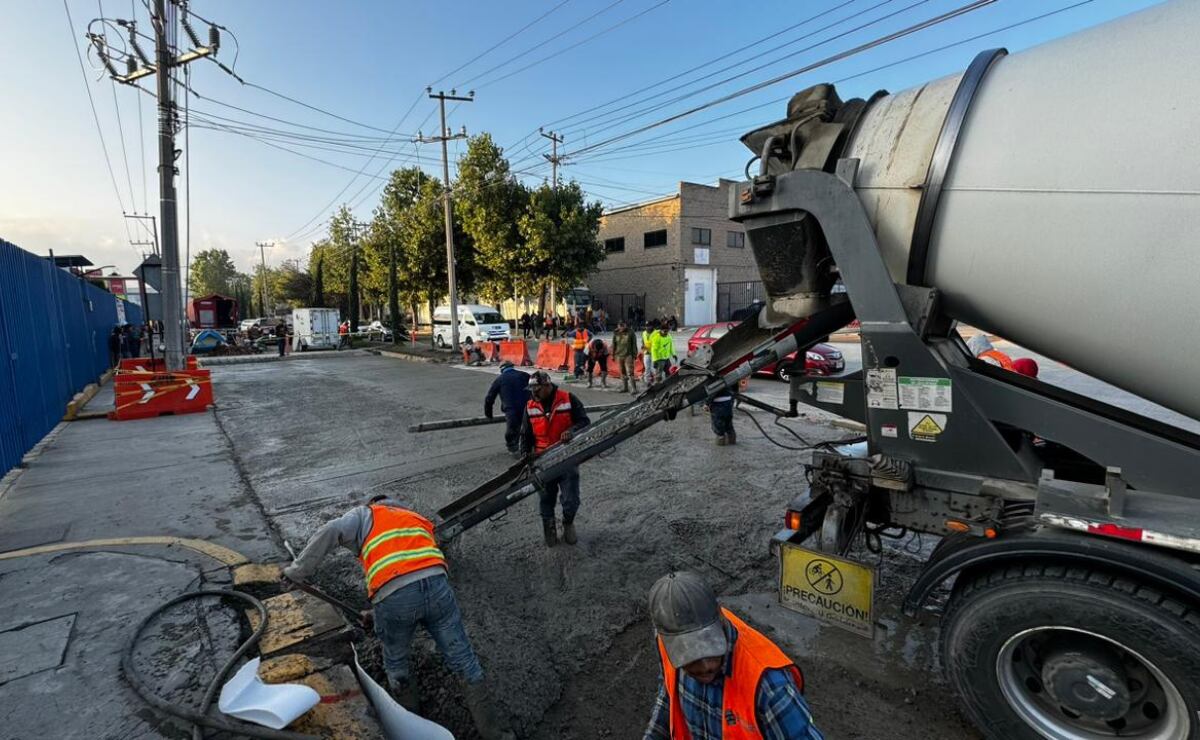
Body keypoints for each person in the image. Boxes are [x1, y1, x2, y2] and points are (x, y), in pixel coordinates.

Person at [283, 496, 513, 740]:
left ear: (375, 503)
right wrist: (376, 615)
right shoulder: (414, 518)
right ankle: (496, 734)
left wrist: (297, 572)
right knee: (465, 661)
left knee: (396, 663)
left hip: (395, 597)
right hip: (438, 587)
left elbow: (332, 530)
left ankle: (413, 729)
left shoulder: (366, 514)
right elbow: (415, 576)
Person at [643, 571, 822, 740]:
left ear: (720, 619)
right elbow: (669, 696)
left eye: (709, 645)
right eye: (690, 655)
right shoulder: (665, 643)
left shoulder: (770, 688)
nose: (706, 666)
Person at [520, 371, 590, 547]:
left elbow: (584, 422)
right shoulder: (529, 406)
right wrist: (525, 456)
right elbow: (526, 434)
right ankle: (549, 526)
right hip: (543, 460)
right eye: (531, 390)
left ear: (547, 386)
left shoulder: (568, 398)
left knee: (571, 499)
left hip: (566, 456)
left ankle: (568, 522)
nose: (533, 393)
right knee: (546, 498)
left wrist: (572, 431)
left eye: (537, 389)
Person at [485, 360, 531, 455]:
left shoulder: (500, 379)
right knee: (528, 429)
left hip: (511, 411)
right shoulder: (525, 375)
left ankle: (514, 450)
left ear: (502, 369)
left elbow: (490, 398)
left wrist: (488, 414)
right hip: (527, 408)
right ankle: (528, 448)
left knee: (512, 432)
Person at [611, 320, 639, 394]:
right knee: (622, 372)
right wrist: (612, 355)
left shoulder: (631, 332)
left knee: (630, 372)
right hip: (619, 355)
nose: (621, 327)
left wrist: (635, 354)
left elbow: (634, 344)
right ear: (618, 326)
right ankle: (625, 387)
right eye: (620, 325)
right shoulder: (616, 333)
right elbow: (613, 344)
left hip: (628, 355)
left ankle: (634, 388)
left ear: (625, 325)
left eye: (623, 325)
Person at [641, 320, 658, 385]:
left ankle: (657, 382)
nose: (647, 327)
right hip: (647, 352)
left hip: (655, 353)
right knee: (647, 368)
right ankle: (648, 382)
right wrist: (643, 346)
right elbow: (643, 341)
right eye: (646, 326)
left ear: (652, 326)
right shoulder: (644, 333)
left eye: (649, 326)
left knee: (655, 368)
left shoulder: (656, 333)